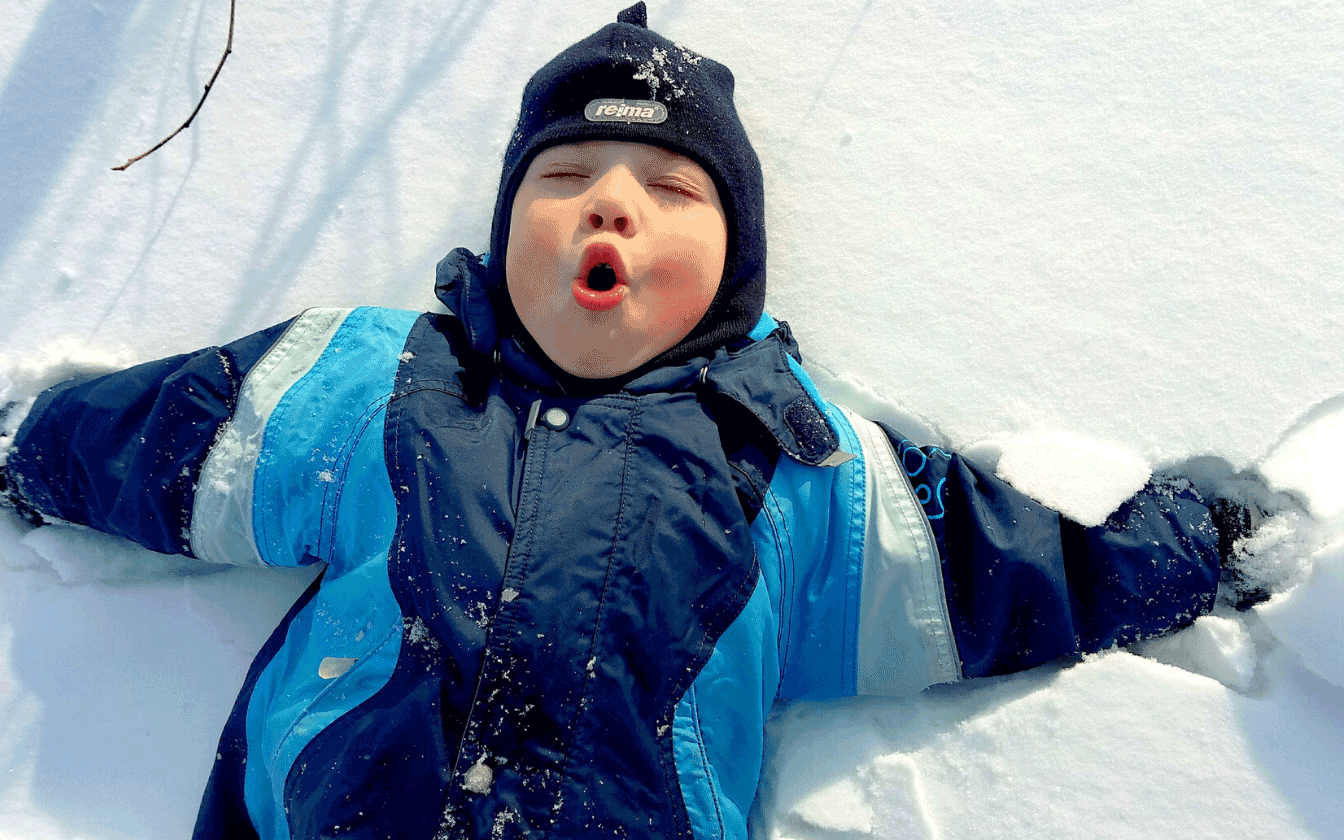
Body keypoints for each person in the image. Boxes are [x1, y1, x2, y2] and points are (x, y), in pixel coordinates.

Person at [0, 4, 1274, 839]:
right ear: (507, 230)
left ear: (735, 264)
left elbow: (998, 573)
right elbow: (182, 431)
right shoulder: (385, 384)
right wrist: (27, 451)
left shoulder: (797, 465)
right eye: (563, 179)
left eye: (670, 189)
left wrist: (1188, 550)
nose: (610, 208)